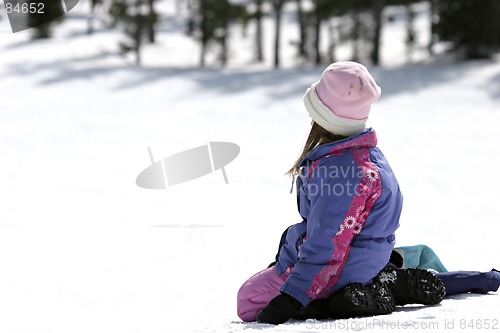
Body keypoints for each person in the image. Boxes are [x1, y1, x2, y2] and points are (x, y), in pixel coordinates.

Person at [236, 61, 445, 325]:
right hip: (367, 257)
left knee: (249, 300)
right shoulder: (364, 154)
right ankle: (375, 279)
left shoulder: (343, 170)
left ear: (324, 117)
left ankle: (339, 301)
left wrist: (294, 296)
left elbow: (328, 243)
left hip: (347, 264)